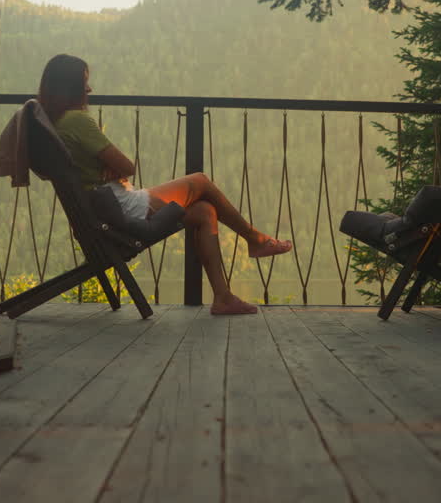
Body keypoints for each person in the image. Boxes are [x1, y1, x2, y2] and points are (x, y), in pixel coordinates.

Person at [38, 54, 291, 315]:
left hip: (104, 211)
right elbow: (128, 167)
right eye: (84, 83)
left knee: (204, 211)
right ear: (69, 87)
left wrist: (108, 168)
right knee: (200, 181)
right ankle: (255, 238)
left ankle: (223, 297)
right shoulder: (76, 121)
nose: (89, 89)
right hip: (121, 209)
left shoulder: (56, 124)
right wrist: (115, 169)